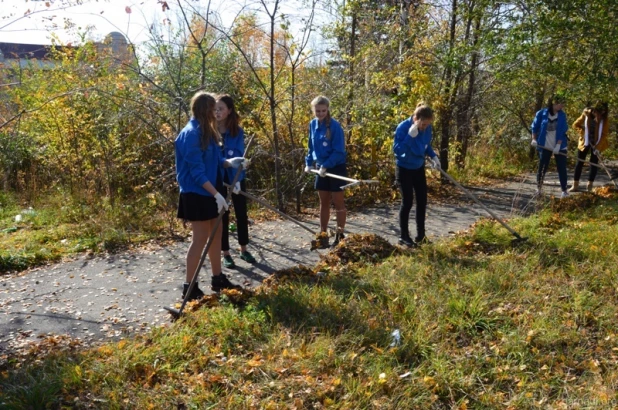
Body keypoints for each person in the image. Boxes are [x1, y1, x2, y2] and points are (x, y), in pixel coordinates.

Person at [175, 91, 247, 300]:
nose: (216, 112)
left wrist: (230, 163)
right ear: (204, 110)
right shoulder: (191, 134)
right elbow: (196, 172)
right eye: (213, 109)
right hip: (197, 193)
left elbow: (215, 159)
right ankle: (190, 287)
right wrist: (216, 194)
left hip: (213, 189)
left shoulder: (209, 130)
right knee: (200, 239)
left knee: (217, 233)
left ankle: (218, 278)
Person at [215, 94, 257, 268]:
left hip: (236, 177)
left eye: (221, 109)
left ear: (229, 110)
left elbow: (238, 156)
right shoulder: (209, 130)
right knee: (222, 215)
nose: (217, 112)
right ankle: (225, 252)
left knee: (241, 213)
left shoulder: (237, 131)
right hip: (217, 179)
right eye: (215, 109)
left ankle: (243, 249)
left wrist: (237, 180)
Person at [393, 103, 440, 247]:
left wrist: (433, 157)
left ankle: (421, 235)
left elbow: (426, 145)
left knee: (422, 201)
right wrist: (409, 137)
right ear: (416, 118)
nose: (425, 127)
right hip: (404, 169)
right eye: (423, 124)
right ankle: (404, 236)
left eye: (427, 124)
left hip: (418, 168)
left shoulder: (427, 128)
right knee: (407, 202)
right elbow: (398, 151)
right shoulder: (402, 128)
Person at [304, 96, 347, 247]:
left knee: (338, 202)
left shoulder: (335, 126)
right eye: (317, 111)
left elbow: (339, 151)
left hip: (335, 167)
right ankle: (323, 236)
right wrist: (309, 162)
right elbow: (310, 146)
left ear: (327, 109)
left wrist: (326, 165)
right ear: (313, 110)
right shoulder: (312, 124)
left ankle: (340, 234)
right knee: (323, 202)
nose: (320, 113)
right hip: (321, 168)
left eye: (323, 110)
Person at [530, 93, 569, 198]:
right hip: (545, 144)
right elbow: (535, 127)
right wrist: (534, 139)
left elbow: (563, 130)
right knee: (542, 167)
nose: (562, 106)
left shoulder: (562, 115)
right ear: (554, 103)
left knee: (562, 167)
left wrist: (558, 145)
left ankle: (564, 191)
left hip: (560, 145)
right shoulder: (541, 113)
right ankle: (539, 188)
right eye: (561, 103)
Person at [570, 101, 610, 192]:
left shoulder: (605, 120)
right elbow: (575, 125)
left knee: (594, 163)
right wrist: (583, 133)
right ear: (594, 110)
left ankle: (589, 186)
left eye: (603, 113)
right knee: (579, 162)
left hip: (597, 142)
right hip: (585, 142)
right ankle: (575, 185)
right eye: (599, 113)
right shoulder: (586, 114)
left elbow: (604, 134)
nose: (600, 116)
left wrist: (598, 147)